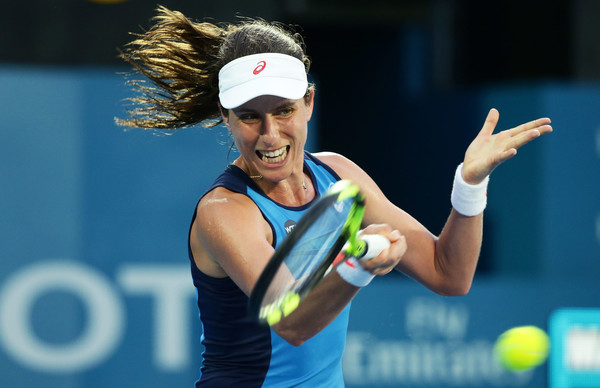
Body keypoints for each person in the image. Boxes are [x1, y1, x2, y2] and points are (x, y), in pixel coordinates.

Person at [117, 6, 553, 387]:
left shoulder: (338, 175)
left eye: (284, 110)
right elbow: (291, 322)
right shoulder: (226, 212)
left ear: (308, 102)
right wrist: (357, 268)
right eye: (250, 117)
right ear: (225, 116)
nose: (270, 135)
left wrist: (470, 186)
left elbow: (449, 275)